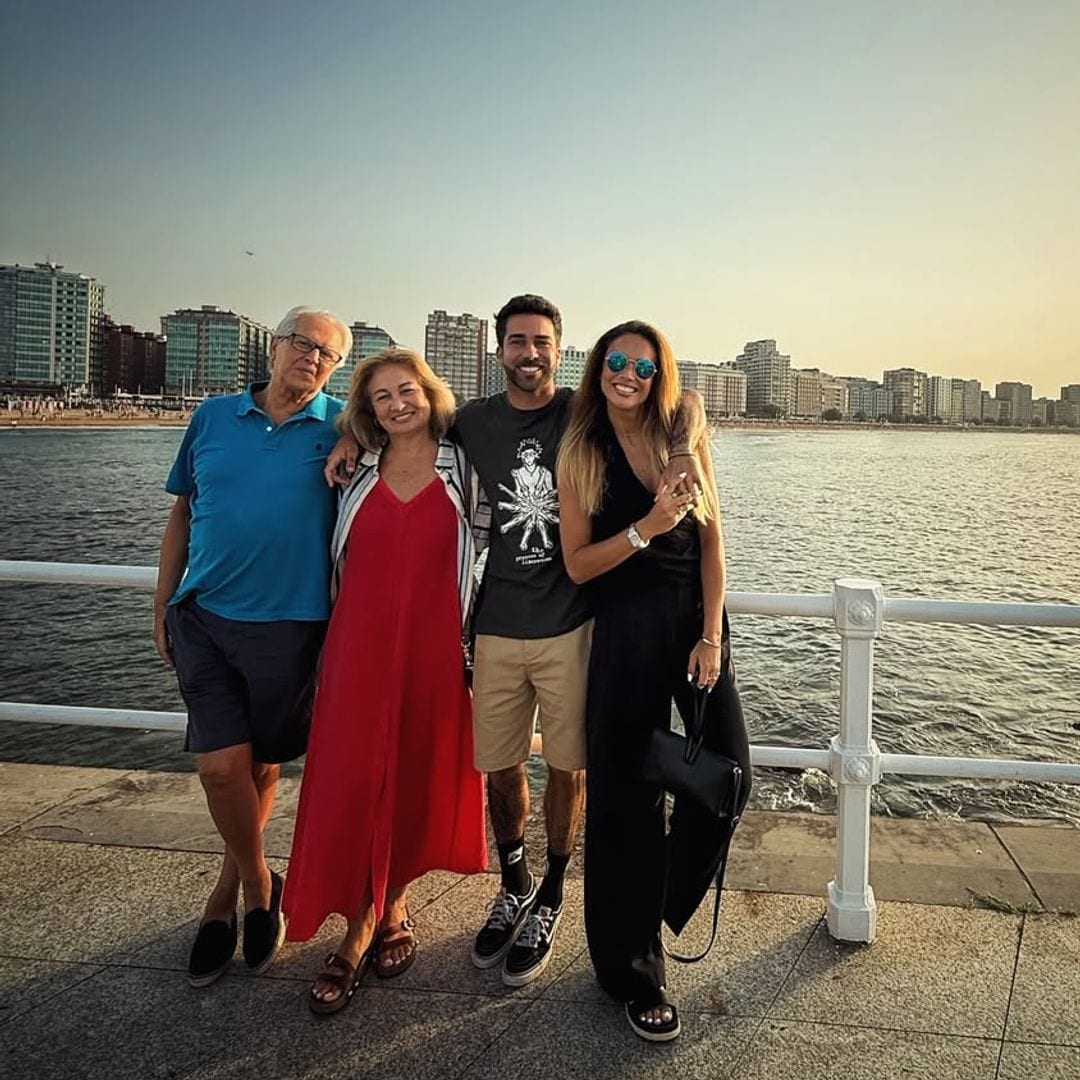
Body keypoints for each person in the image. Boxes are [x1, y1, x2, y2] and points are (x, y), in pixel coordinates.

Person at [325, 295, 708, 988]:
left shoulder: (585, 411)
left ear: (559, 349)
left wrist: (682, 447)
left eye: (541, 342)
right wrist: (350, 438)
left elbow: (685, 399)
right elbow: (400, 419)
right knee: (499, 767)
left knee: (567, 765)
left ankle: (553, 893)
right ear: (500, 349)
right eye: (517, 342)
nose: (530, 353)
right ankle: (514, 884)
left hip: (573, 623)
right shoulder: (472, 421)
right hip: (495, 624)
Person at [557, 319, 751, 1042]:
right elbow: (578, 564)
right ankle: (634, 971)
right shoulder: (581, 451)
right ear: (598, 368)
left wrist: (711, 635)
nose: (628, 375)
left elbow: (713, 541)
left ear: (659, 374)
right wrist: (647, 526)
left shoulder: (682, 438)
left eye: (643, 366)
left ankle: (652, 904)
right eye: (617, 361)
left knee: (730, 775)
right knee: (625, 803)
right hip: (626, 632)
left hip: (695, 630)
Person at [284, 348, 488, 1014]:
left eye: (408, 390)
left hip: (433, 650)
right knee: (351, 778)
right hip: (356, 649)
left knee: (413, 772)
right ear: (367, 411)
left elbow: (505, 538)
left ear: (430, 393)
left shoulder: (466, 467)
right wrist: (349, 437)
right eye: (382, 397)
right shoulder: (353, 468)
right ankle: (358, 917)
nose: (398, 404)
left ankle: (387, 904)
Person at [153, 306, 351, 987]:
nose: (312, 359)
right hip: (203, 617)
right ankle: (260, 887)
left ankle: (225, 891)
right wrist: (162, 603)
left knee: (261, 764)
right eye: (303, 343)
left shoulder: (344, 426)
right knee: (220, 768)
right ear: (274, 345)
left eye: (328, 354)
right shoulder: (212, 417)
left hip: (293, 626)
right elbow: (183, 510)